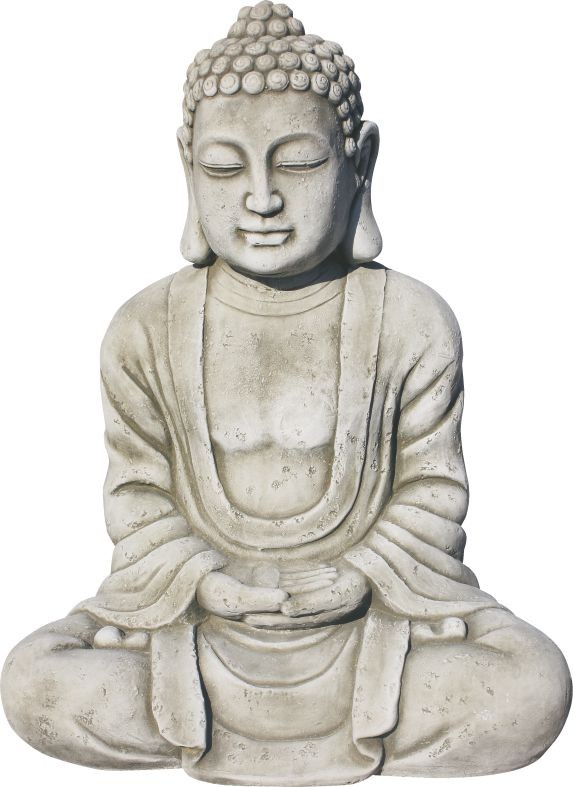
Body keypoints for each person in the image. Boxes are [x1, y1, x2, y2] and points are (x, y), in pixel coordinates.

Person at [2, 3, 570, 783]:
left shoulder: (411, 321)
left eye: (298, 164)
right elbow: (137, 501)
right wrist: (205, 581)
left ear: (360, 162)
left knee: (529, 685)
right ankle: (259, 720)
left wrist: (359, 575)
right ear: (185, 167)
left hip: (368, 626)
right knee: (36, 681)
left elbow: (432, 492)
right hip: (199, 628)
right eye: (224, 169)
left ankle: (281, 724)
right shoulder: (143, 329)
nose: (261, 199)